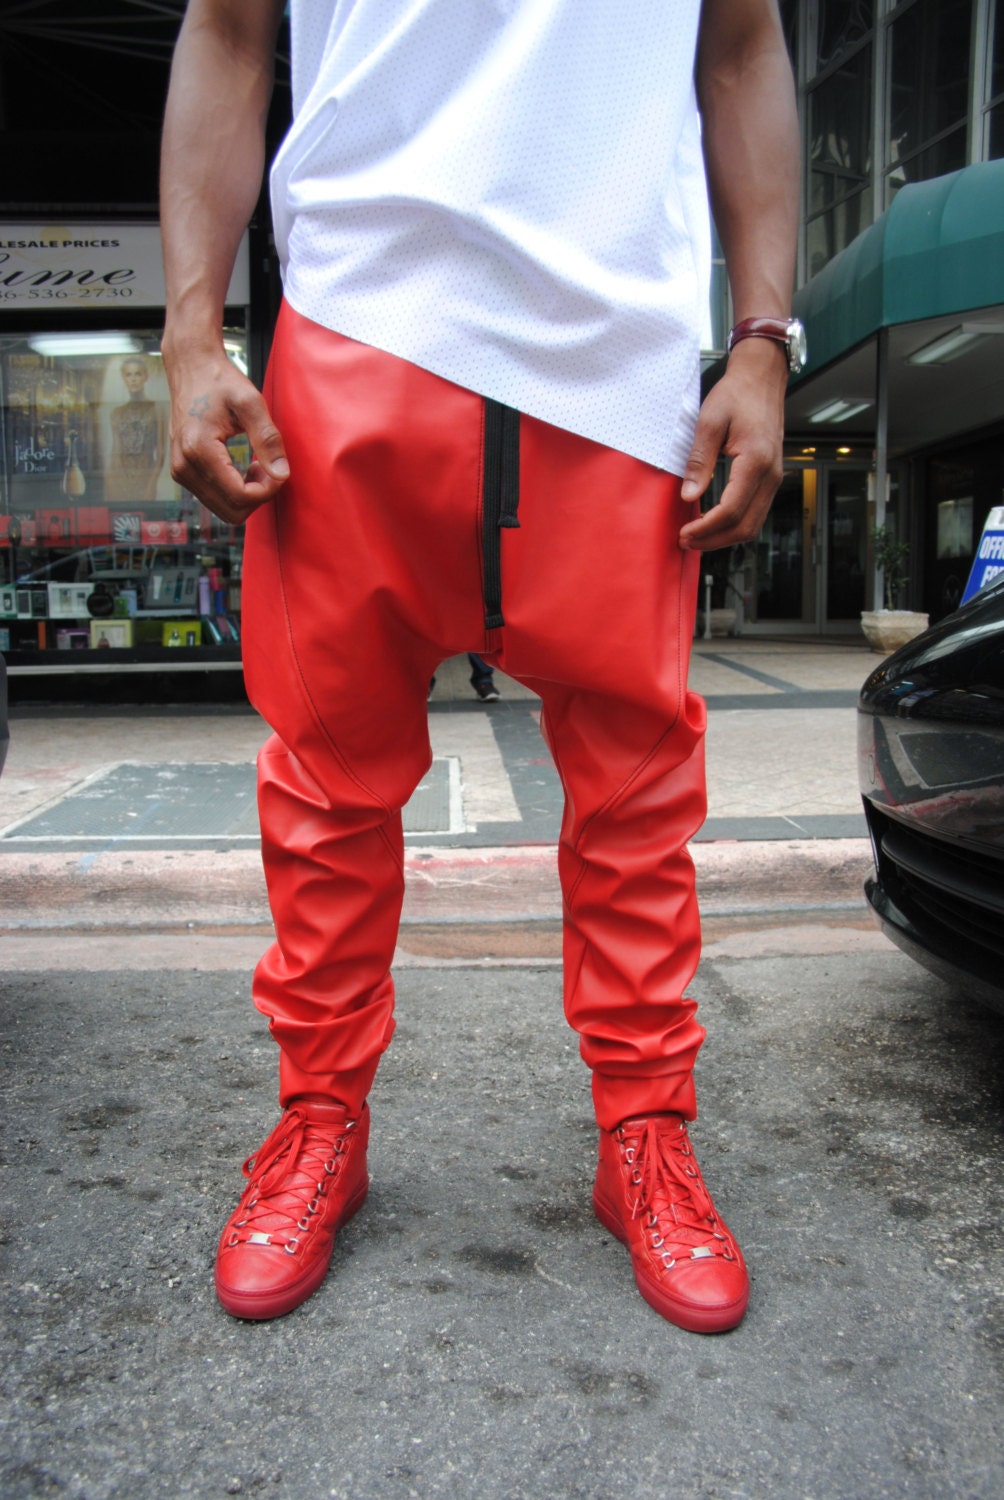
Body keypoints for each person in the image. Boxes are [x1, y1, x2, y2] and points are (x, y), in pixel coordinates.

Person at [161, 0, 800, 1333]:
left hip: (616, 357)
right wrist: (191, 332)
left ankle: (647, 1141)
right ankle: (318, 1123)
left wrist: (763, 338)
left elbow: (740, 47)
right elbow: (227, 31)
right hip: (354, 320)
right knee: (329, 780)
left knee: (638, 792)